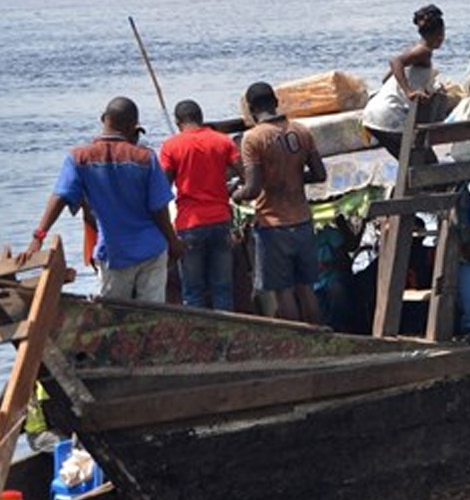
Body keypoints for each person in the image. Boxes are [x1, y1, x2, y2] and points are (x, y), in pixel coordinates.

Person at [26, 97, 180, 301]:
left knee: (113, 315)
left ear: (103, 119)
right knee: (152, 315)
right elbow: (159, 209)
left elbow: (60, 196)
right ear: (131, 127)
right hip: (152, 249)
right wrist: (173, 242)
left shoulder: (79, 158)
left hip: (115, 253)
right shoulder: (145, 158)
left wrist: (38, 237)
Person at [234, 82, 327, 324]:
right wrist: (295, 177)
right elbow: (319, 174)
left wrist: (236, 194)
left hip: (273, 225)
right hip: (303, 221)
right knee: (306, 289)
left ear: (251, 109)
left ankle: (298, 344)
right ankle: (319, 337)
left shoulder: (252, 138)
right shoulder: (302, 131)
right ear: (276, 102)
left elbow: (253, 189)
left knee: (283, 292)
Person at [158, 99, 241, 310]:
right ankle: (226, 338)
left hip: (190, 224)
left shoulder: (171, 146)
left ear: (178, 122)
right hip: (221, 220)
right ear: (201, 119)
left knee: (193, 291)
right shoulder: (223, 141)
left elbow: (161, 189)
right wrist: (231, 191)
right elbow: (245, 174)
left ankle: (197, 340)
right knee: (223, 288)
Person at [363, 4, 445, 164]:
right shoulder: (424, 51)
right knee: (427, 162)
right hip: (388, 115)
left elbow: (387, 77)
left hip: (373, 115)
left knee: (409, 162)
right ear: (439, 34)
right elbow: (395, 62)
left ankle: (407, 189)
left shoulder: (415, 50)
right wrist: (408, 91)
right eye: (442, 35)